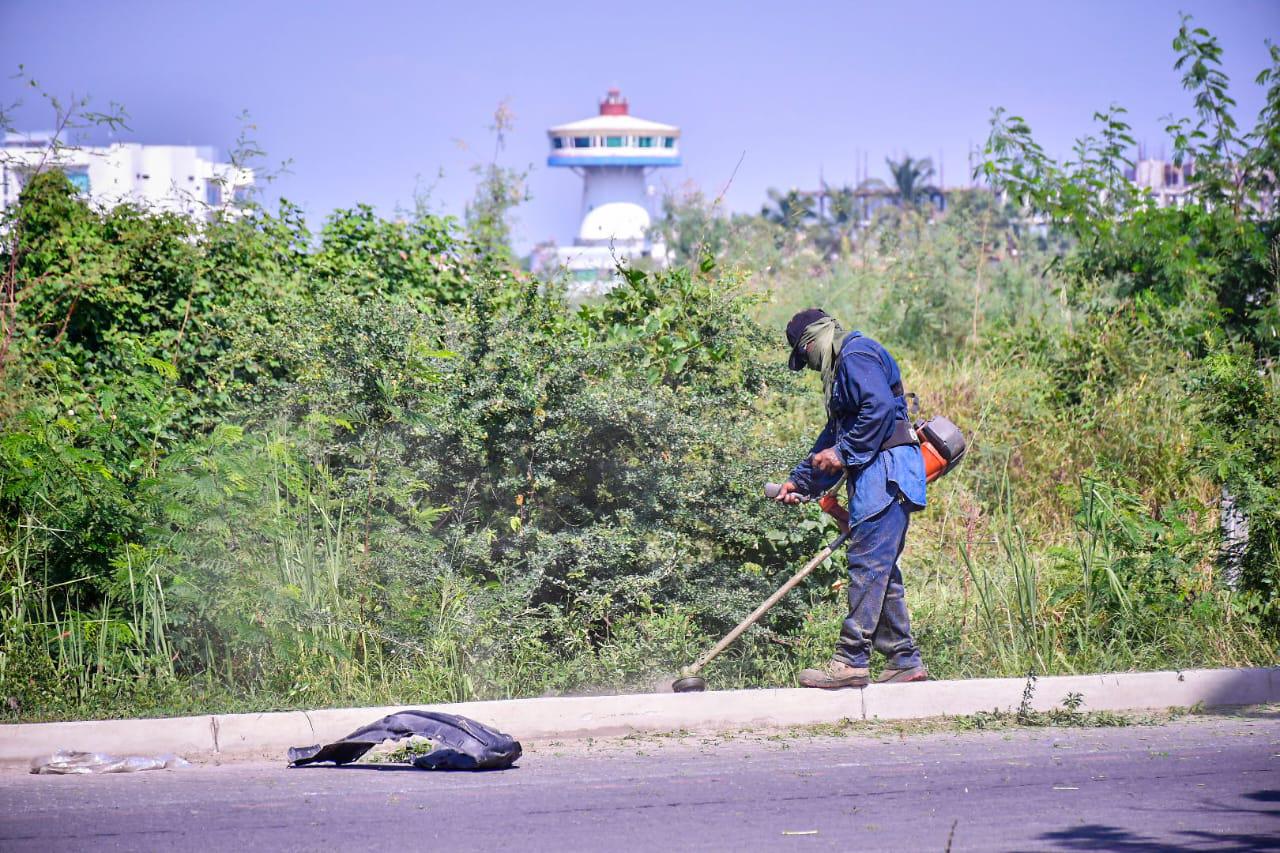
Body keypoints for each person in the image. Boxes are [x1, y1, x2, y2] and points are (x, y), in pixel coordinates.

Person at [774, 308, 929, 688]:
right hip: (876, 477)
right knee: (881, 570)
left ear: (812, 342)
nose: (809, 366)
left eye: (805, 356)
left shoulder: (857, 355)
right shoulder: (844, 368)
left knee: (868, 563)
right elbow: (835, 434)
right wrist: (801, 483)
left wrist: (843, 454)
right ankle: (903, 661)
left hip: (887, 476)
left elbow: (876, 411)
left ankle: (851, 661)